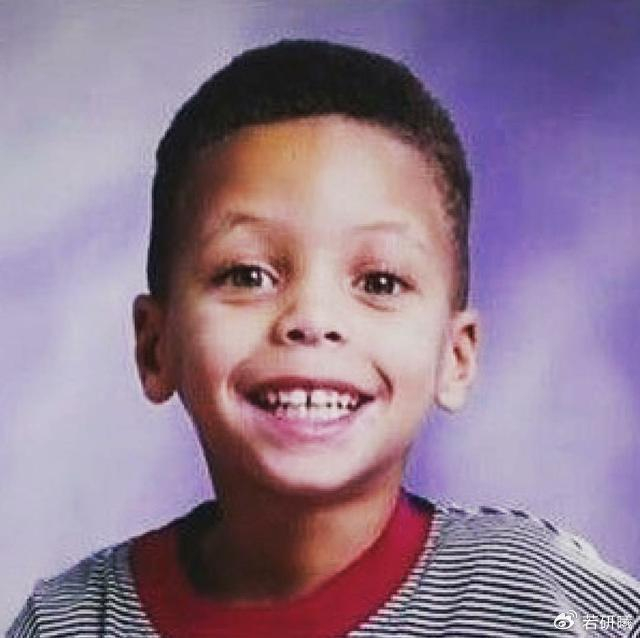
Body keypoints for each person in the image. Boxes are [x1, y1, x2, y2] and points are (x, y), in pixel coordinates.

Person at [8, 39, 640, 638]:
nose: (312, 318)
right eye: (247, 274)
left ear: (456, 355)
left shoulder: (540, 601)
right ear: (155, 346)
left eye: (380, 282)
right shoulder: (72, 621)